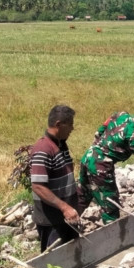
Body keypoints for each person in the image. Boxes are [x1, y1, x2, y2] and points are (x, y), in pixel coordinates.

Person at [29, 105, 81, 252]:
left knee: (72, 256)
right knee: (53, 264)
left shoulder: (61, 145)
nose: (72, 128)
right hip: (52, 221)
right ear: (58, 124)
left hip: (67, 217)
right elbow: (38, 186)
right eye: (70, 124)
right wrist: (64, 207)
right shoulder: (43, 149)